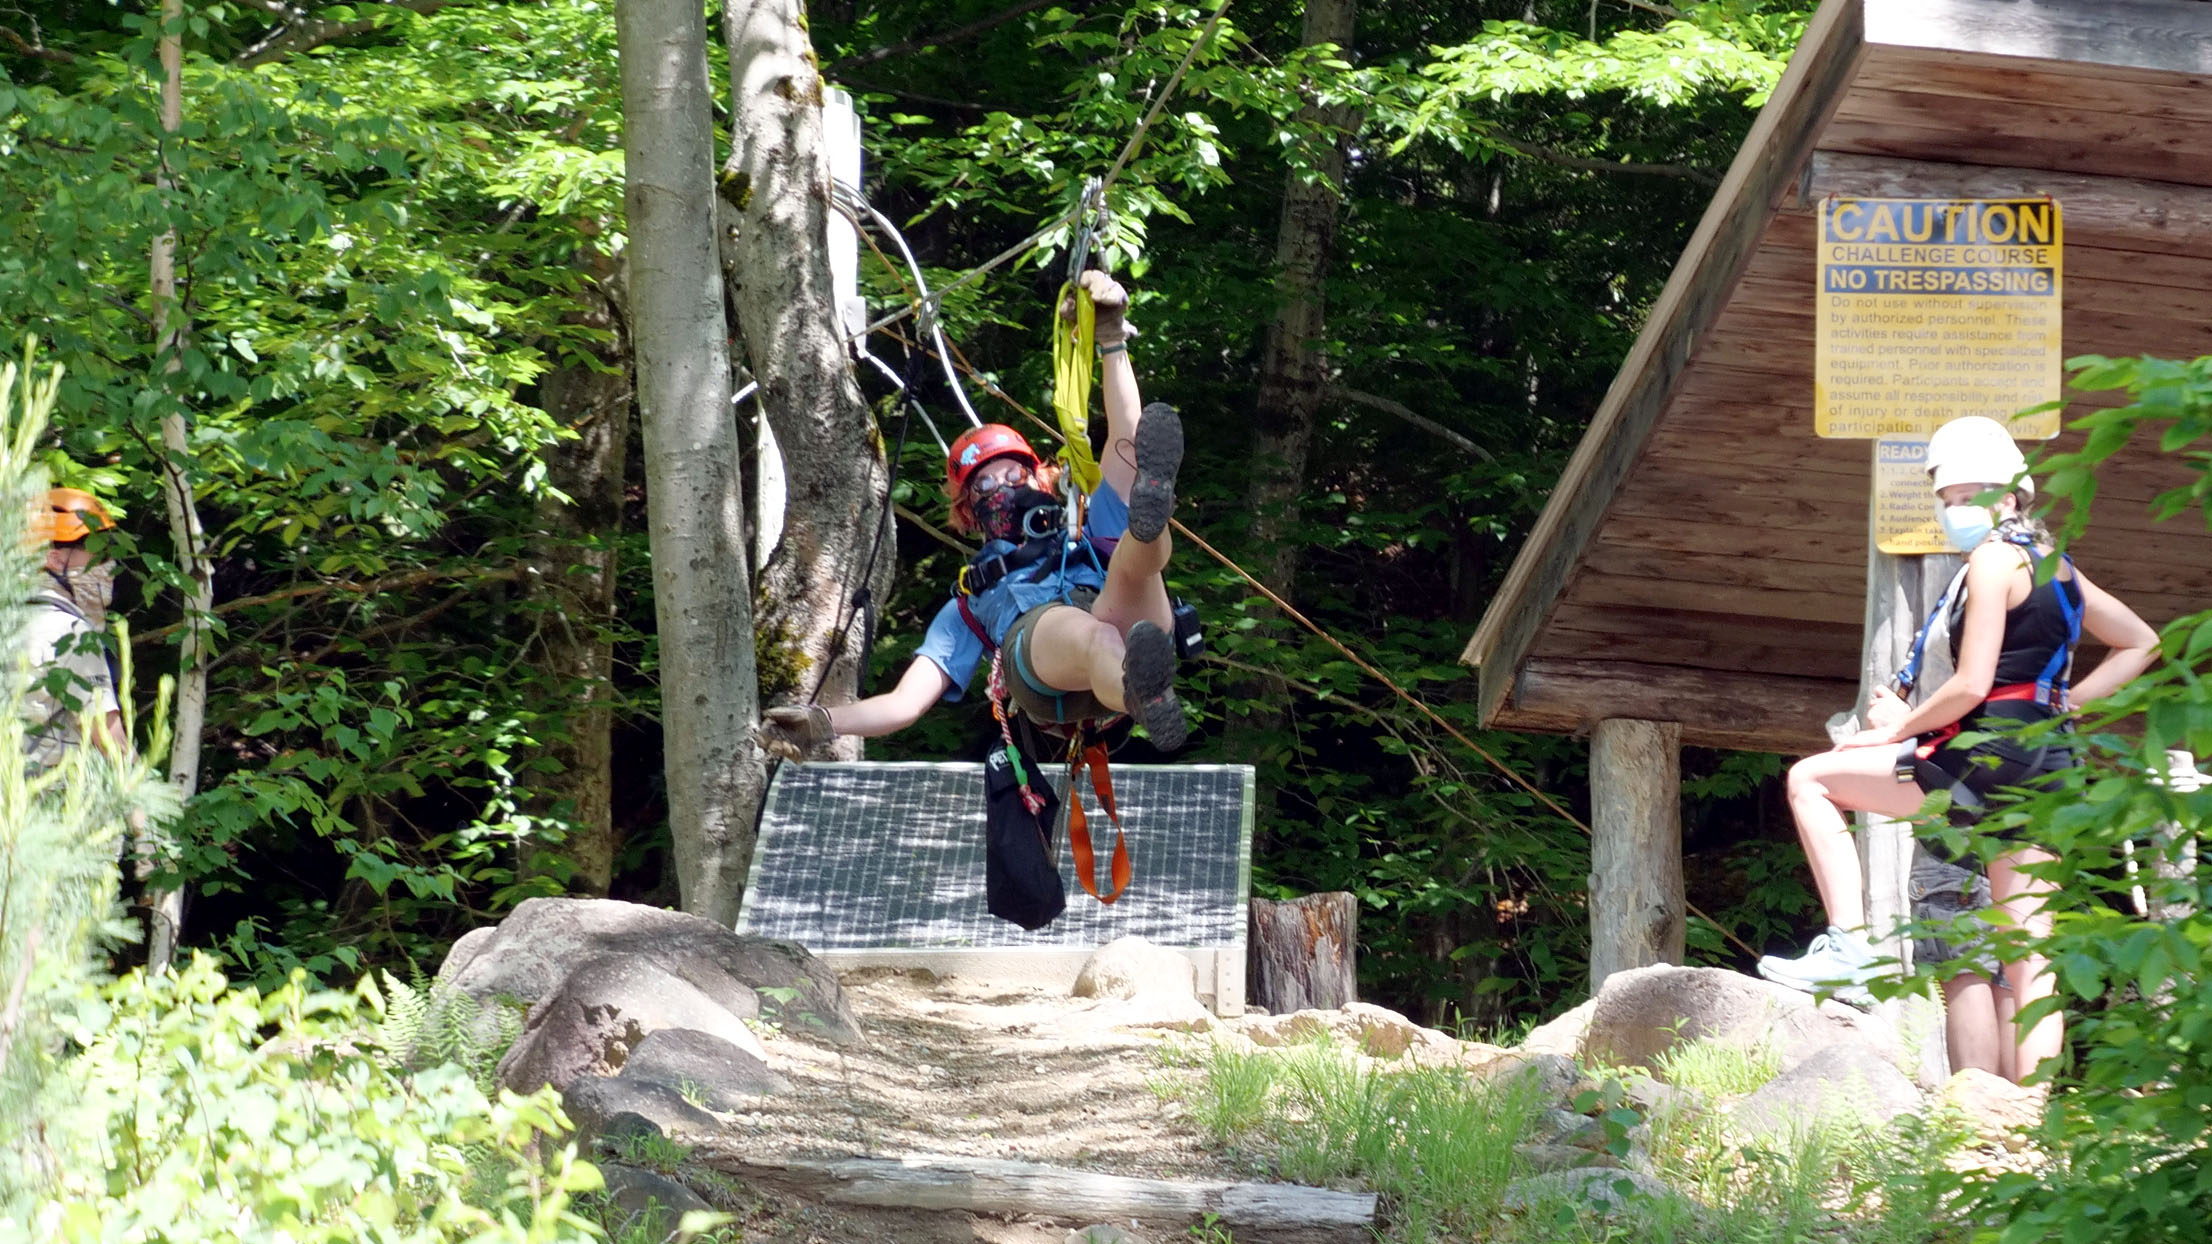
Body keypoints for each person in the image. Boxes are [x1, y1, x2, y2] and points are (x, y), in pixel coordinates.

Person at [1756, 415, 2158, 1085]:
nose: (1956, 510)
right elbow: (2142, 640)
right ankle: (2026, 1122)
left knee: (1812, 781)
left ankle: (1850, 947)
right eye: (1948, 499)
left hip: (1983, 755)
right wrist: (2065, 704)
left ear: (2010, 495)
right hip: (2048, 759)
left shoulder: (1993, 560)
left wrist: (1897, 730)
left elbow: (1971, 684)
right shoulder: (2059, 567)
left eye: (1968, 495)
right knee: (2031, 958)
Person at [758, 270, 1188, 759]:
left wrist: (1110, 339)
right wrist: (822, 723)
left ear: (1040, 478)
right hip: (1043, 665)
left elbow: (1127, 442)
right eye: (984, 485)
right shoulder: (971, 601)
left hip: (1121, 628)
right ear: (968, 510)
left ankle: (1147, 668)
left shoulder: (1082, 533)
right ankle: (1140, 689)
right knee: (1091, 634)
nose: (1002, 489)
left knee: (1132, 553)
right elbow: (905, 703)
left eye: (1013, 475)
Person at [24, 486, 127, 770]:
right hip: (44, 793)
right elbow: (110, 743)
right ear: (55, 559)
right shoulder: (71, 634)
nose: (108, 566)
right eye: (97, 553)